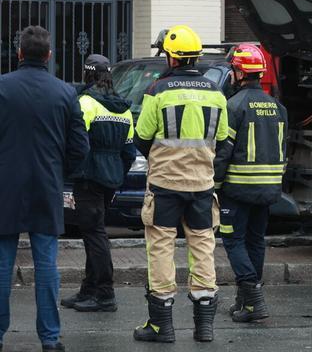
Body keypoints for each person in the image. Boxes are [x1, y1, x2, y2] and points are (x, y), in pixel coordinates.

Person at [133, 25, 229, 344]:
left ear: (172, 58)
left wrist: (163, 158)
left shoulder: (158, 90)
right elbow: (224, 140)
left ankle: (162, 326)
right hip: (202, 185)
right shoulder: (216, 92)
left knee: (160, 247)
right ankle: (204, 326)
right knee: (202, 245)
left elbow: (141, 138)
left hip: (164, 184)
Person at [0, 26, 89, 352]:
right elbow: (81, 147)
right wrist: (59, 172)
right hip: (47, 186)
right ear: (48, 55)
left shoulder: (2, 88)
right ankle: (50, 339)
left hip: (5, 187)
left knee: (1, 265)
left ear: (20, 53)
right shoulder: (65, 93)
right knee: (47, 264)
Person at [213, 44, 286, 323]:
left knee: (233, 241)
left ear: (239, 72)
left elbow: (224, 152)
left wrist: (214, 184)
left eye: (233, 69)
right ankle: (245, 303)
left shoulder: (234, 106)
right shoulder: (278, 108)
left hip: (237, 190)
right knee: (255, 241)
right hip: (268, 190)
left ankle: (253, 300)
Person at [62, 54, 136, 314]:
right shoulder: (123, 108)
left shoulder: (86, 102)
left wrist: (71, 171)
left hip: (89, 177)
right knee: (94, 232)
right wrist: (117, 175)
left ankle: (104, 294)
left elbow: (76, 142)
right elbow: (129, 152)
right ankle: (89, 289)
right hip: (111, 178)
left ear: (87, 74)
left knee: (94, 235)